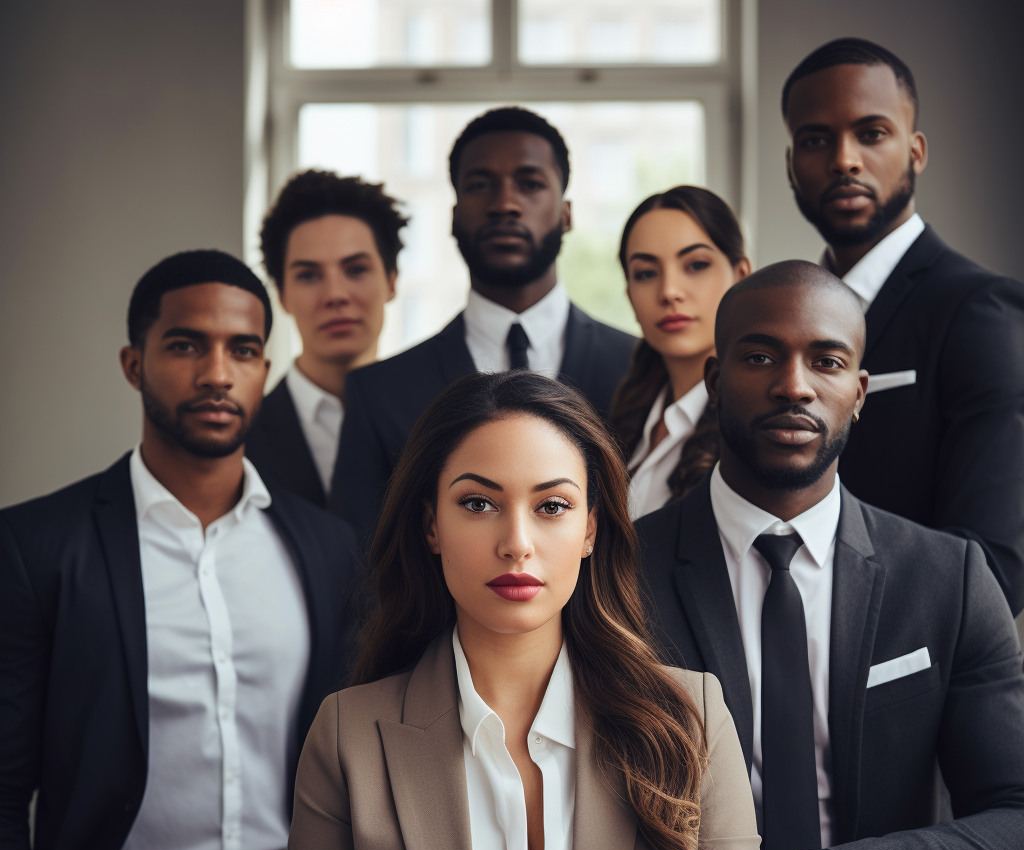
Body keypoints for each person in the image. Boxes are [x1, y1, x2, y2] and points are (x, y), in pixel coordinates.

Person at [289, 371, 774, 850]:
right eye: (478, 503)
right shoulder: (348, 738)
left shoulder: (692, 719)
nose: (516, 542)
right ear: (430, 524)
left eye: (552, 506)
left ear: (592, 530)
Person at [635, 261, 1024, 850]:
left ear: (860, 391)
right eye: (759, 356)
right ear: (714, 378)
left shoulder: (947, 576)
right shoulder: (616, 571)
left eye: (827, 360)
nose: (793, 385)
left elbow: (1014, 814)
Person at [0, 251, 360, 850]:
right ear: (135, 364)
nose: (217, 373)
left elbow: (361, 760)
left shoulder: (329, 549)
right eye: (186, 344)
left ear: (267, 366)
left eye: (243, 350)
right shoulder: (34, 548)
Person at [783, 38, 1024, 614]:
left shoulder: (981, 310)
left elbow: (993, 564)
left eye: (871, 133)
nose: (844, 158)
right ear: (790, 163)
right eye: (816, 139)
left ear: (915, 151)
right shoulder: (783, 321)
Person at [333, 106, 636, 539]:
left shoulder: (639, 366)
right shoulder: (379, 393)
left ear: (566, 213)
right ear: (454, 216)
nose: (505, 204)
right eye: (479, 185)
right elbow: (362, 573)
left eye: (530, 184)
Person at [246, 170, 407, 509]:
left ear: (392, 281)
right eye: (308, 275)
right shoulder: (241, 439)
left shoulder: (433, 418)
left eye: (356, 269)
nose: (335, 295)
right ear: (282, 295)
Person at [609, 186, 750, 519]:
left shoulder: (760, 425)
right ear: (629, 295)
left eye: (696, 265)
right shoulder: (627, 415)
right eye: (646, 273)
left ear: (741, 276)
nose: (669, 291)